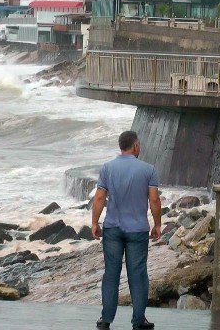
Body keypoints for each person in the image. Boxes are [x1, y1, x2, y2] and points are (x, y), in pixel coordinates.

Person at [92, 131, 162, 330]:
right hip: (138, 230)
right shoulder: (148, 170)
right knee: (138, 274)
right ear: (136, 145)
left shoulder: (107, 168)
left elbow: (99, 198)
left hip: (113, 227)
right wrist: (157, 225)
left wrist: (95, 223)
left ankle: (105, 319)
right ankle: (138, 320)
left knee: (111, 274)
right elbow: (154, 200)